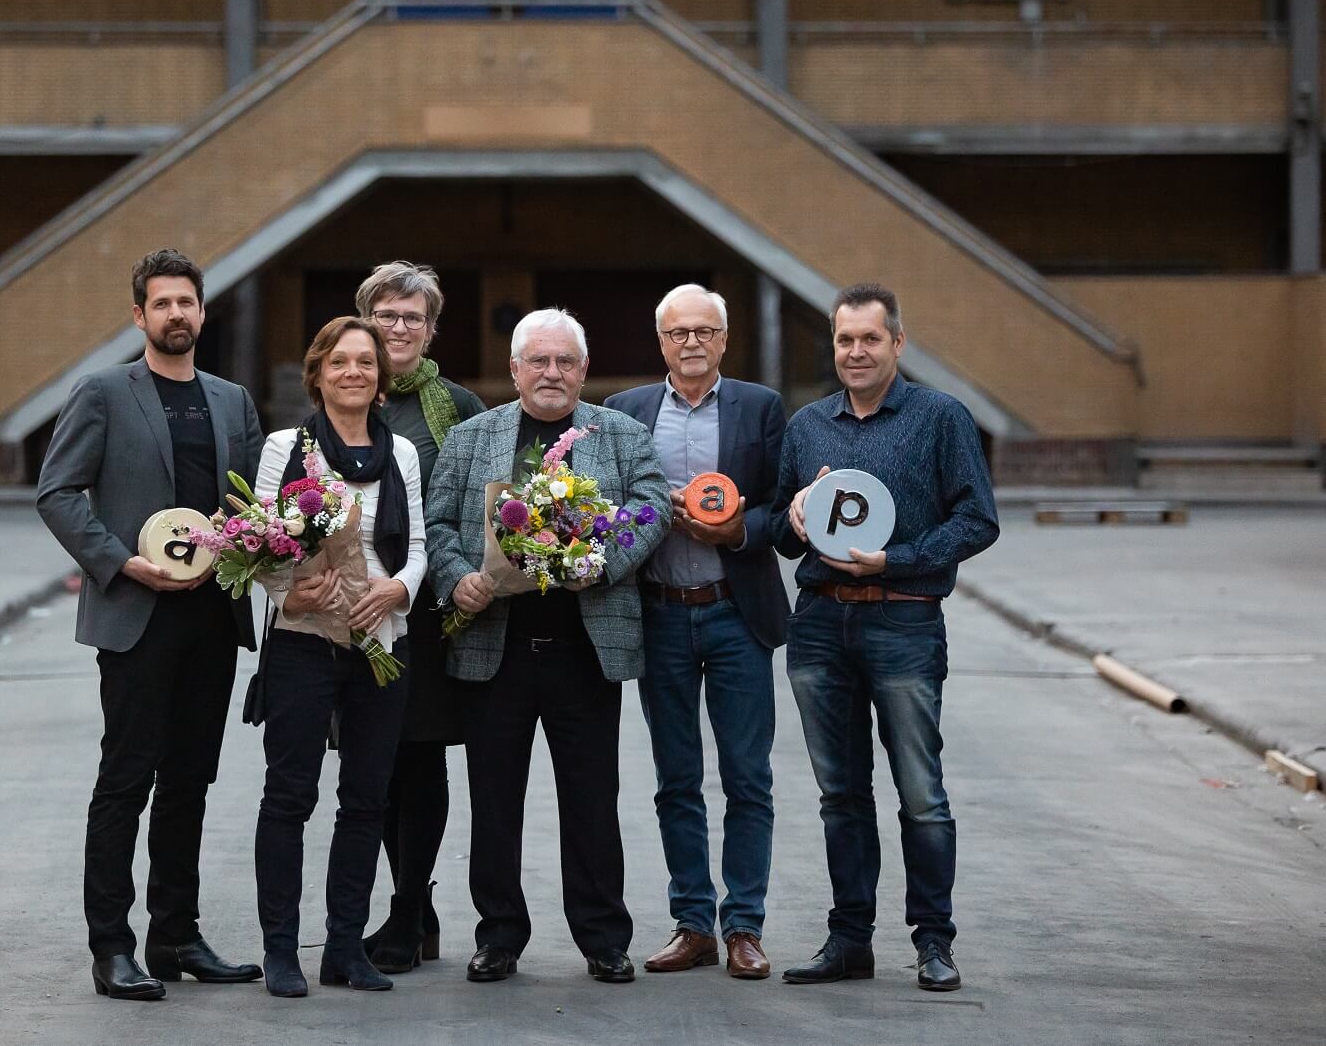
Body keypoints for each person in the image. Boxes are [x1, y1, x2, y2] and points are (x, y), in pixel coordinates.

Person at [36, 248, 264, 1000]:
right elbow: (59, 491)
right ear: (139, 315)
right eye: (161, 304)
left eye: (187, 303)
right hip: (137, 615)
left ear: (203, 312)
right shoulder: (103, 392)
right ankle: (112, 947)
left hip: (211, 616)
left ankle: (176, 934)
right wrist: (118, 563)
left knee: (191, 783)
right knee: (125, 779)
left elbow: (252, 508)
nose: (176, 315)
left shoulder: (232, 401)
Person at [425, 307, 670, 985]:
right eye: (539, 360)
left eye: (565, 361)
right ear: (515, 369)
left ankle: (602, 936)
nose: (552, 373)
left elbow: (654, 503)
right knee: (494, 802)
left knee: (591, 799)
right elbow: (439, 520)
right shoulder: (476, 436)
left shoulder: (619, 434)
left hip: (584, 649)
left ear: (584, 370)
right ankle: (499, 935)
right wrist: (459, 579)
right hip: (494, 647)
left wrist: (609, 559)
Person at [768, 282, 998, 994]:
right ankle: (849, 941)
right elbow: (777, 527)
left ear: (898, 344)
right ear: (832, 345)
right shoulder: (808, 426)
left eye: (871, 339)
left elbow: (977, 520)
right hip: (820, 626)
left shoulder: (940, 418)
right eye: (845, 340)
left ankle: (934, 942)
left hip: (903, 618)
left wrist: (895, 559)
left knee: (920, 792)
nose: (856, 352)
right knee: (841, 793)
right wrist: (796, 519)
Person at [603, 283, 789, 980]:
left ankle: (744, 925)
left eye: (703, 331)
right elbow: (608, 509)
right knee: (675, 778)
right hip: (659, 612)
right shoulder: (626, 412)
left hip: (734, 612)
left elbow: (781, 508)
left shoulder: (760, 408)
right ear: (661, 343)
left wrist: (741, 527)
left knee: (747, 777)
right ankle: (692, 923)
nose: (690, 343)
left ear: (723, 338)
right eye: (677, 332)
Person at [251, 317, 428, 997]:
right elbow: (259, 538)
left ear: (381, 379)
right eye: (341, 362)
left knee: (366, 799)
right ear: (318, 373)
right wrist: (288, 596)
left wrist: (397, 590)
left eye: (366, 362)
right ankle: (281, 951)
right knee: (289, 795)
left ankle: (346, 949)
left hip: (380, 643)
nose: (354, 372)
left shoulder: (402, 453)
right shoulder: (284, 448)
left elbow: (415, 549)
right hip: (302, 644)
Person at [351, 262, 485, 974]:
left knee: (419, 755)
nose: (398, 328)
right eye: (387, 314)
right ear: (367, 319)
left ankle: (406, 912)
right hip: (357, 614)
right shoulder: (345, 390)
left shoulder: (454, 405)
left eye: (412, 317)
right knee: (376, 762)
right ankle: (416, 908)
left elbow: (472, 504)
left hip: (428, 616)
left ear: (432, 328)